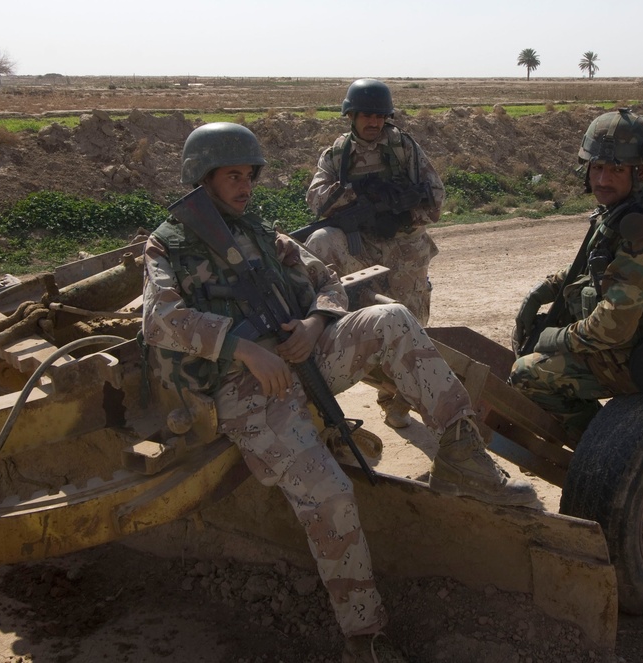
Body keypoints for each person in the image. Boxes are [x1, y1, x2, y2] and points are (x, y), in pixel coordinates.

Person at [142, 122, 539, 662]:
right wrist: (242, 348)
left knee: (392, 316)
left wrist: (313, 324)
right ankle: (363, 637)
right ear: (202, 179)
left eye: (248, 175)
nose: (245, 186)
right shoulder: (168, 245)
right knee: (330, 493)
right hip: (242, 388)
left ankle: (463, 457)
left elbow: (327, 280)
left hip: (301, 358)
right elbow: (161, 320)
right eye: (232, 176)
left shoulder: (263, 233)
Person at [508, 108, 643, 443]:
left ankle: (603, 448)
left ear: (640, 172)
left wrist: (551, 339)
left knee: (527, 373)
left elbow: (612, 327)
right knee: (545, 330)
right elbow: (594, 267)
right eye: (597, 167)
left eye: (616, 170)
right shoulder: (625, 208)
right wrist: (541, 292)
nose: (601, 180)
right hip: (635, 341)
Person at [304, 78, 444, 430]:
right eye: (366, 115)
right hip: (361, 245)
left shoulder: (404, 149)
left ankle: (398, 402)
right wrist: (358, 195)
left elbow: (436, 197)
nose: (374, 122)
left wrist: (400, 213)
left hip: (405, 245)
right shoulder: (338, 155)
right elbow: (317, 199)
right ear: (351, 116)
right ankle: (321, 331)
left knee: (410, 323)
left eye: (380, 116)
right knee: (320, 241)